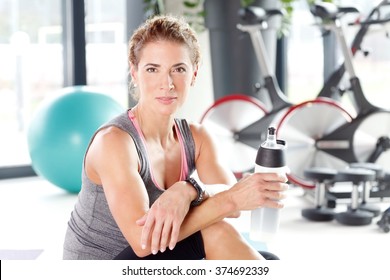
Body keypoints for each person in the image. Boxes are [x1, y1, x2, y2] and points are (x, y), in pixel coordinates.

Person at [63, 14, 288, 260]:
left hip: (157, 258)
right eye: (152, 69)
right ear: (135, 73)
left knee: (268, 260)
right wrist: (230, 198)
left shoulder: (196, 137)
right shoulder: (114, 142)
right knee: (215, 233)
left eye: (178, 69)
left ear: (193, 74)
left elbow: (225, 194)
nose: (167, 83)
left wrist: (188, 189)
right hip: (103, 267)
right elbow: (143, 241)